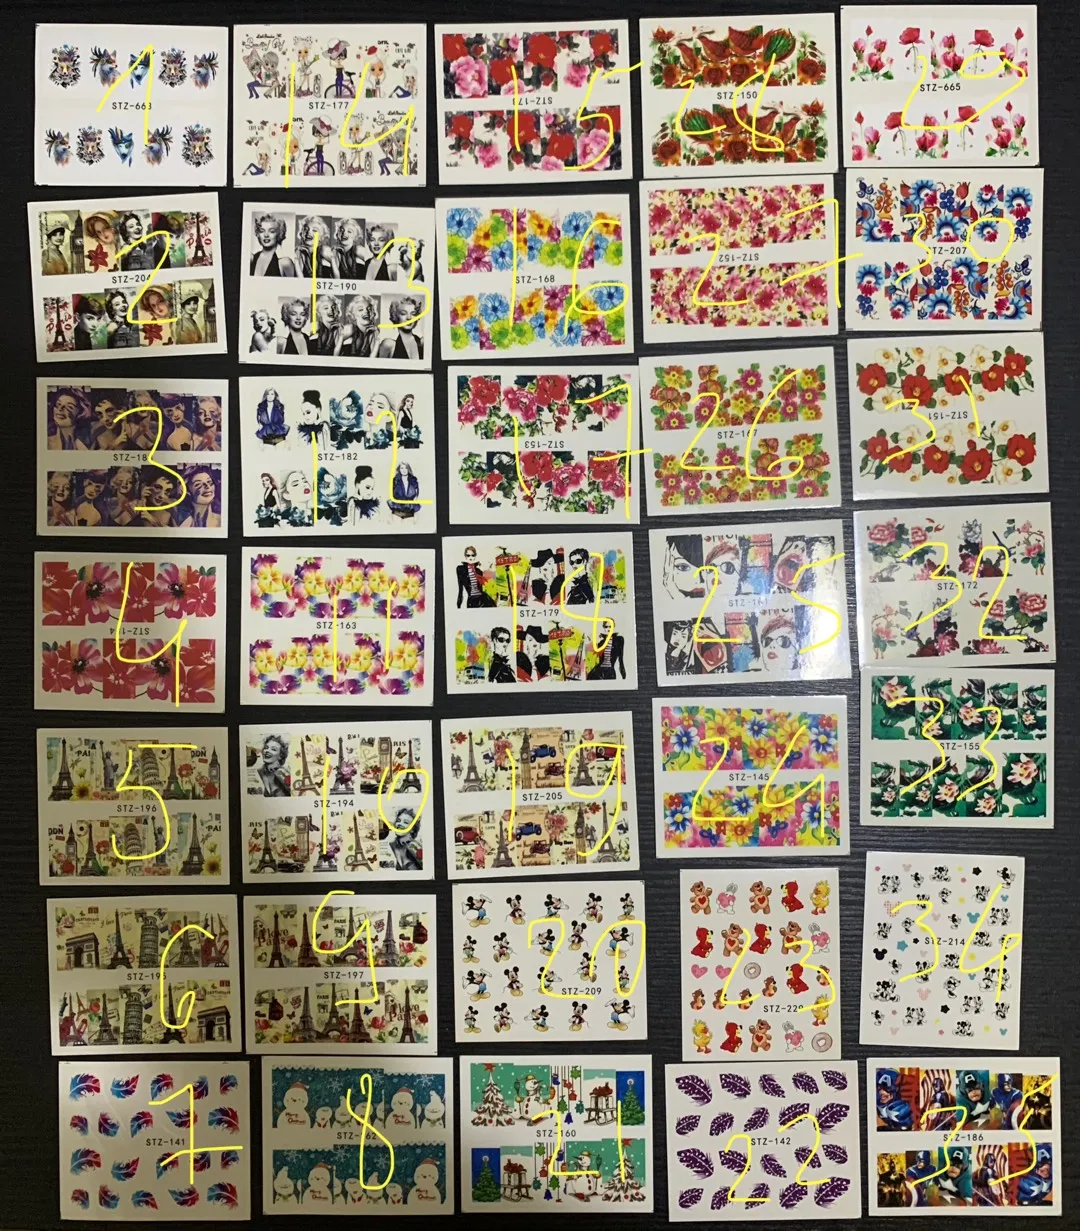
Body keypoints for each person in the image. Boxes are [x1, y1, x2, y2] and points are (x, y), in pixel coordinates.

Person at [376, 296, 424, 361]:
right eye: (403, 313)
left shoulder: (422, 342)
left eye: (413, 313)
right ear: (395, 316)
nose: (409, 318)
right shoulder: (388, 345)